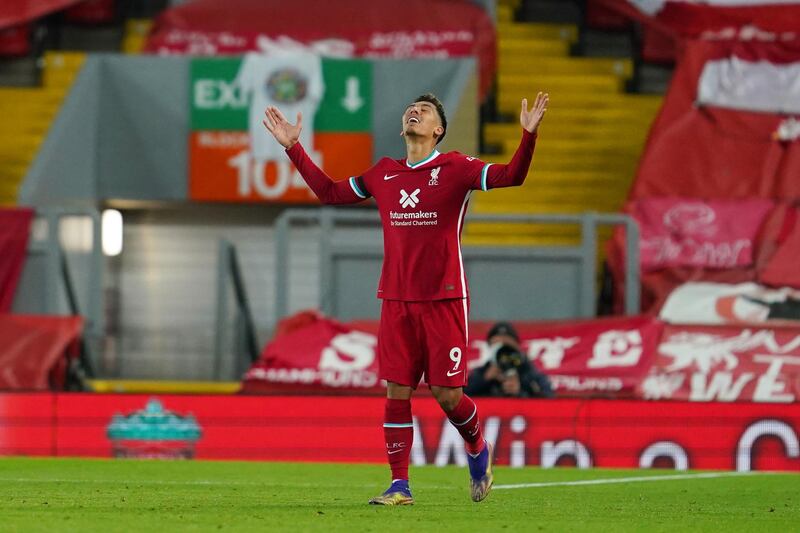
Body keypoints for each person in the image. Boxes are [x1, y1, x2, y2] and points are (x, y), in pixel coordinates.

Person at [262, 90, 548, 505]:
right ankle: (400, 485)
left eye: (426, 111)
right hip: (396, 299)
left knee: (446, 395)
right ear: (403, 127)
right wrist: (294, 148)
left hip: (444, 299)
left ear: (439, 130)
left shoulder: (456, 168)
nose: (415, 111)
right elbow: (329, 192)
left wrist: (528, 137)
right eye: (411, 109)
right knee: (397, 390)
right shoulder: (384, 173)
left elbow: (512, 176)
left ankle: (476, 446)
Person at [466, 322, 554, 398]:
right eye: (497, 347)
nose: (503, 352)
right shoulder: (481, 373)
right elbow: (460, 398)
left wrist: (521, 392)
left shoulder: (530, 374)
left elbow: (548, 400)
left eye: (507, 346)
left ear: (517, 347)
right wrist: (484, 380)